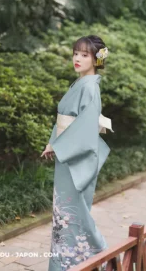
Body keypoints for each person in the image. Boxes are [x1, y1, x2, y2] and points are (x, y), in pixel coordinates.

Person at [41, 35, 114, 271]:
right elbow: (66, 121)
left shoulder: (90, 86)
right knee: (65, 212)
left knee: (73, 212)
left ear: (96, 59)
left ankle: (99, 256)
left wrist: (57, 145)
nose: (77, 58)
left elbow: (83, 127)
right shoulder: (81, 83)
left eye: (84, 55)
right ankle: (68, 263)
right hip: (67, 155)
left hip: (76, 158)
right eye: (75, 53)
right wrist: (53, 142)